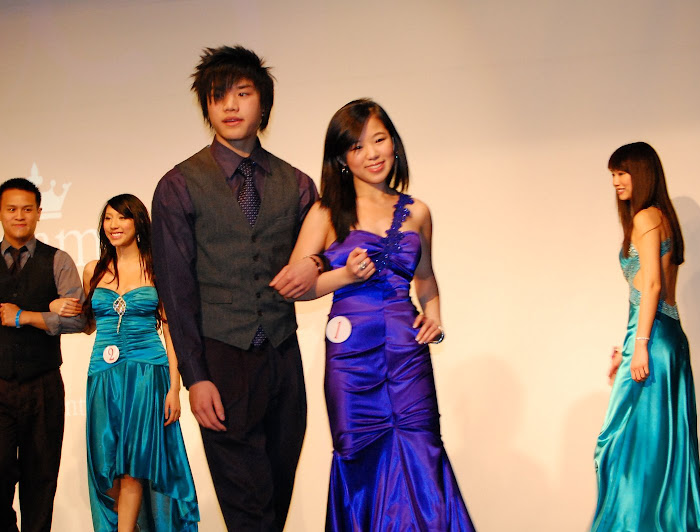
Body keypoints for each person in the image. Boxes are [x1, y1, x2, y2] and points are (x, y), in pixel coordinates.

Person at [271, 98, 474, 531]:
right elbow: (297, 288)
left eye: (379, 140)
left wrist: (434, 317)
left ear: (394, 143)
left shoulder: (418, 211)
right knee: (359, 459)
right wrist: (344, 275)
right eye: (357, 146)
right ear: (341, 159)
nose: (372, 153)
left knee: (422, 453)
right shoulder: (325, 212)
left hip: (406, 353)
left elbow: (426, 279)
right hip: (351, 360)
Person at [151, 45, 320, 531]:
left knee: (276, 495)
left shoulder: (298, 183)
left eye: (242, 94)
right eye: (217, 95)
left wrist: (316, 264)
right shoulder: (179, 185)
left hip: (283, 357)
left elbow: (331, 249)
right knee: (247, 508)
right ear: (206, 106)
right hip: (220, 359)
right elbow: (176, 291)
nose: (229, 105)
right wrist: (195, 376)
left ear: (263, 104)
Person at [591, 142, 700, 531]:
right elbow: (644, 289)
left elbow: (653, 286)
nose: (616, 182)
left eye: (622, 173)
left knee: (624, 448)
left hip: (654, 339)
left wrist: (640, 345)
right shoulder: (661, 218)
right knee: (650, 445)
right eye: (613, 175)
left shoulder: (646, 217)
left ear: (641, 173)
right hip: (663, 337)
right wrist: (627, 347)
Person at [67, 194, 198, 531]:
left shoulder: (157, 267)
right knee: (105, 466)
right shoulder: (92, 270)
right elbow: (88, 325)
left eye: (122, 217)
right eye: (108, 218)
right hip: (103, 374)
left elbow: (170, 330)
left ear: (138, 223)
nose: (114, 225)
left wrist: (174, 387)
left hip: (146, 373)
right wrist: (60, 309)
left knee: (133, 464)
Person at [0, 177, 87, 531]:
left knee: (41, 482)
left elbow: (80, 320)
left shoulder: (58, 260)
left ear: (38, 213)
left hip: (43, 386)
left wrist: (26, 316)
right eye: (11, 209)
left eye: (26, 209)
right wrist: (51, 313)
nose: (19, 216)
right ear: (1, 213)